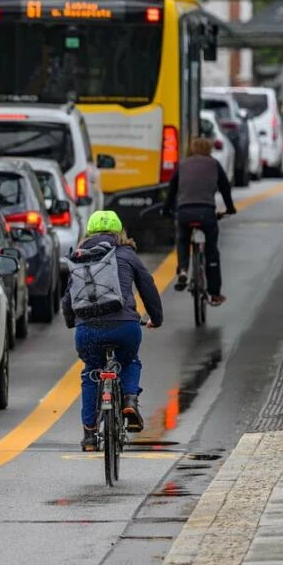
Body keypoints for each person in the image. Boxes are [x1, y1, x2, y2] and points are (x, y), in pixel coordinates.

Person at [62, 211, 163, 452]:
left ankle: (88, 435)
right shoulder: (128, 254)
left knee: (91, 373)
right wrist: (156, 319)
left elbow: (69, 299)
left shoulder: (79, 257)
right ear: (119, 233)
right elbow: (147, 286)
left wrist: (71, 322)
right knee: (129, 361)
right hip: (125, 326)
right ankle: (129, 399)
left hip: (88, 330)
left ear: (90, 233)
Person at [163, 137, 237, 305]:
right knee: (211, 251)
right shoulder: (214, 164)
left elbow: (171, 191)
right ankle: (215, 294)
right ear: (209, 149)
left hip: (184, 212)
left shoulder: (182, 165)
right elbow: (225, 188)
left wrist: (166, 210)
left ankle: (182, 270)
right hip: (207, 213)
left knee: (182, 240)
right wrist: (230, 209)